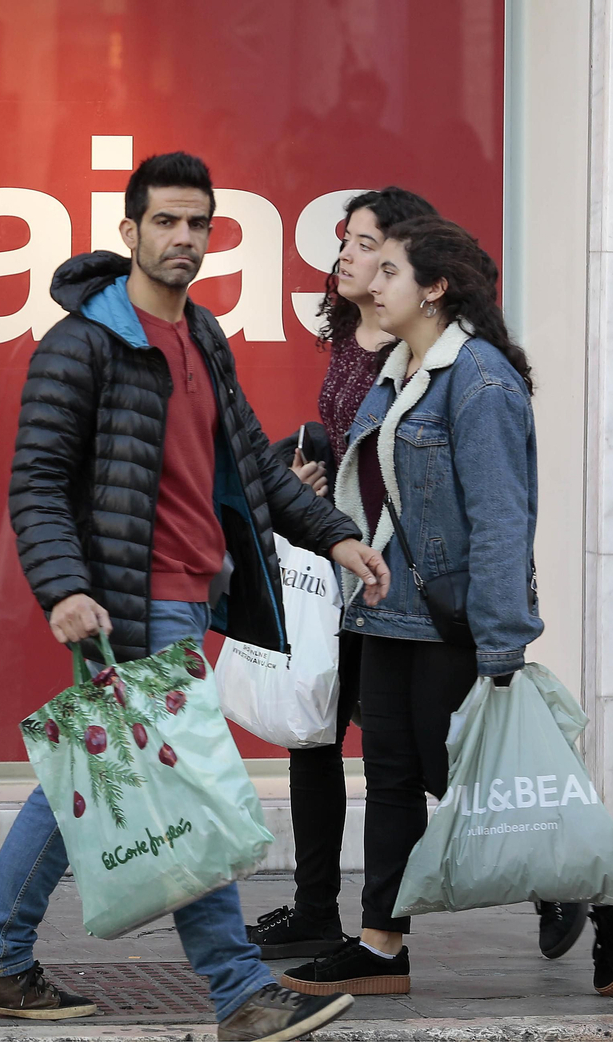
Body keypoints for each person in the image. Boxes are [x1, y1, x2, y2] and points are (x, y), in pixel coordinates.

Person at [0, 152, 392, 1042]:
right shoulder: (84, 343)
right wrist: (64, 589)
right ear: (130, 233)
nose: (183, 238)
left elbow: (256, 465)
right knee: (178, 794)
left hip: (191, 595)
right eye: (165, 222)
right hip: (130, 599)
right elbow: (36, 478)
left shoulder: (205, 336)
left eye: (198, 224)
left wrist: (334, 532)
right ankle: (239, 994)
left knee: (92, 776)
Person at [279, 216, 613, 997]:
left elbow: (499, 520)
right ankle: (383, 947)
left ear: (435, 287)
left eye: (388, 272)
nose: (371, 285)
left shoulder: (480, 380)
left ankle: (612, 880)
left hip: (450, 621)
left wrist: (501, 649)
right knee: (391, 779)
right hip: (386, 610)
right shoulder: (398, 372)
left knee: (472, 783)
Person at [247, 188, 437, 959]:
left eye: (364, 244)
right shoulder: (351, 333)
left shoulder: (411, 343)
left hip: (393, 574)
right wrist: (313, 478)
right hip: (342, 562)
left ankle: (577, 877)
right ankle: (317, 907)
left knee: (424, 752)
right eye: (347, 241)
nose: (346, 257)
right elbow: (354, 447)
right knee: (314, 731)